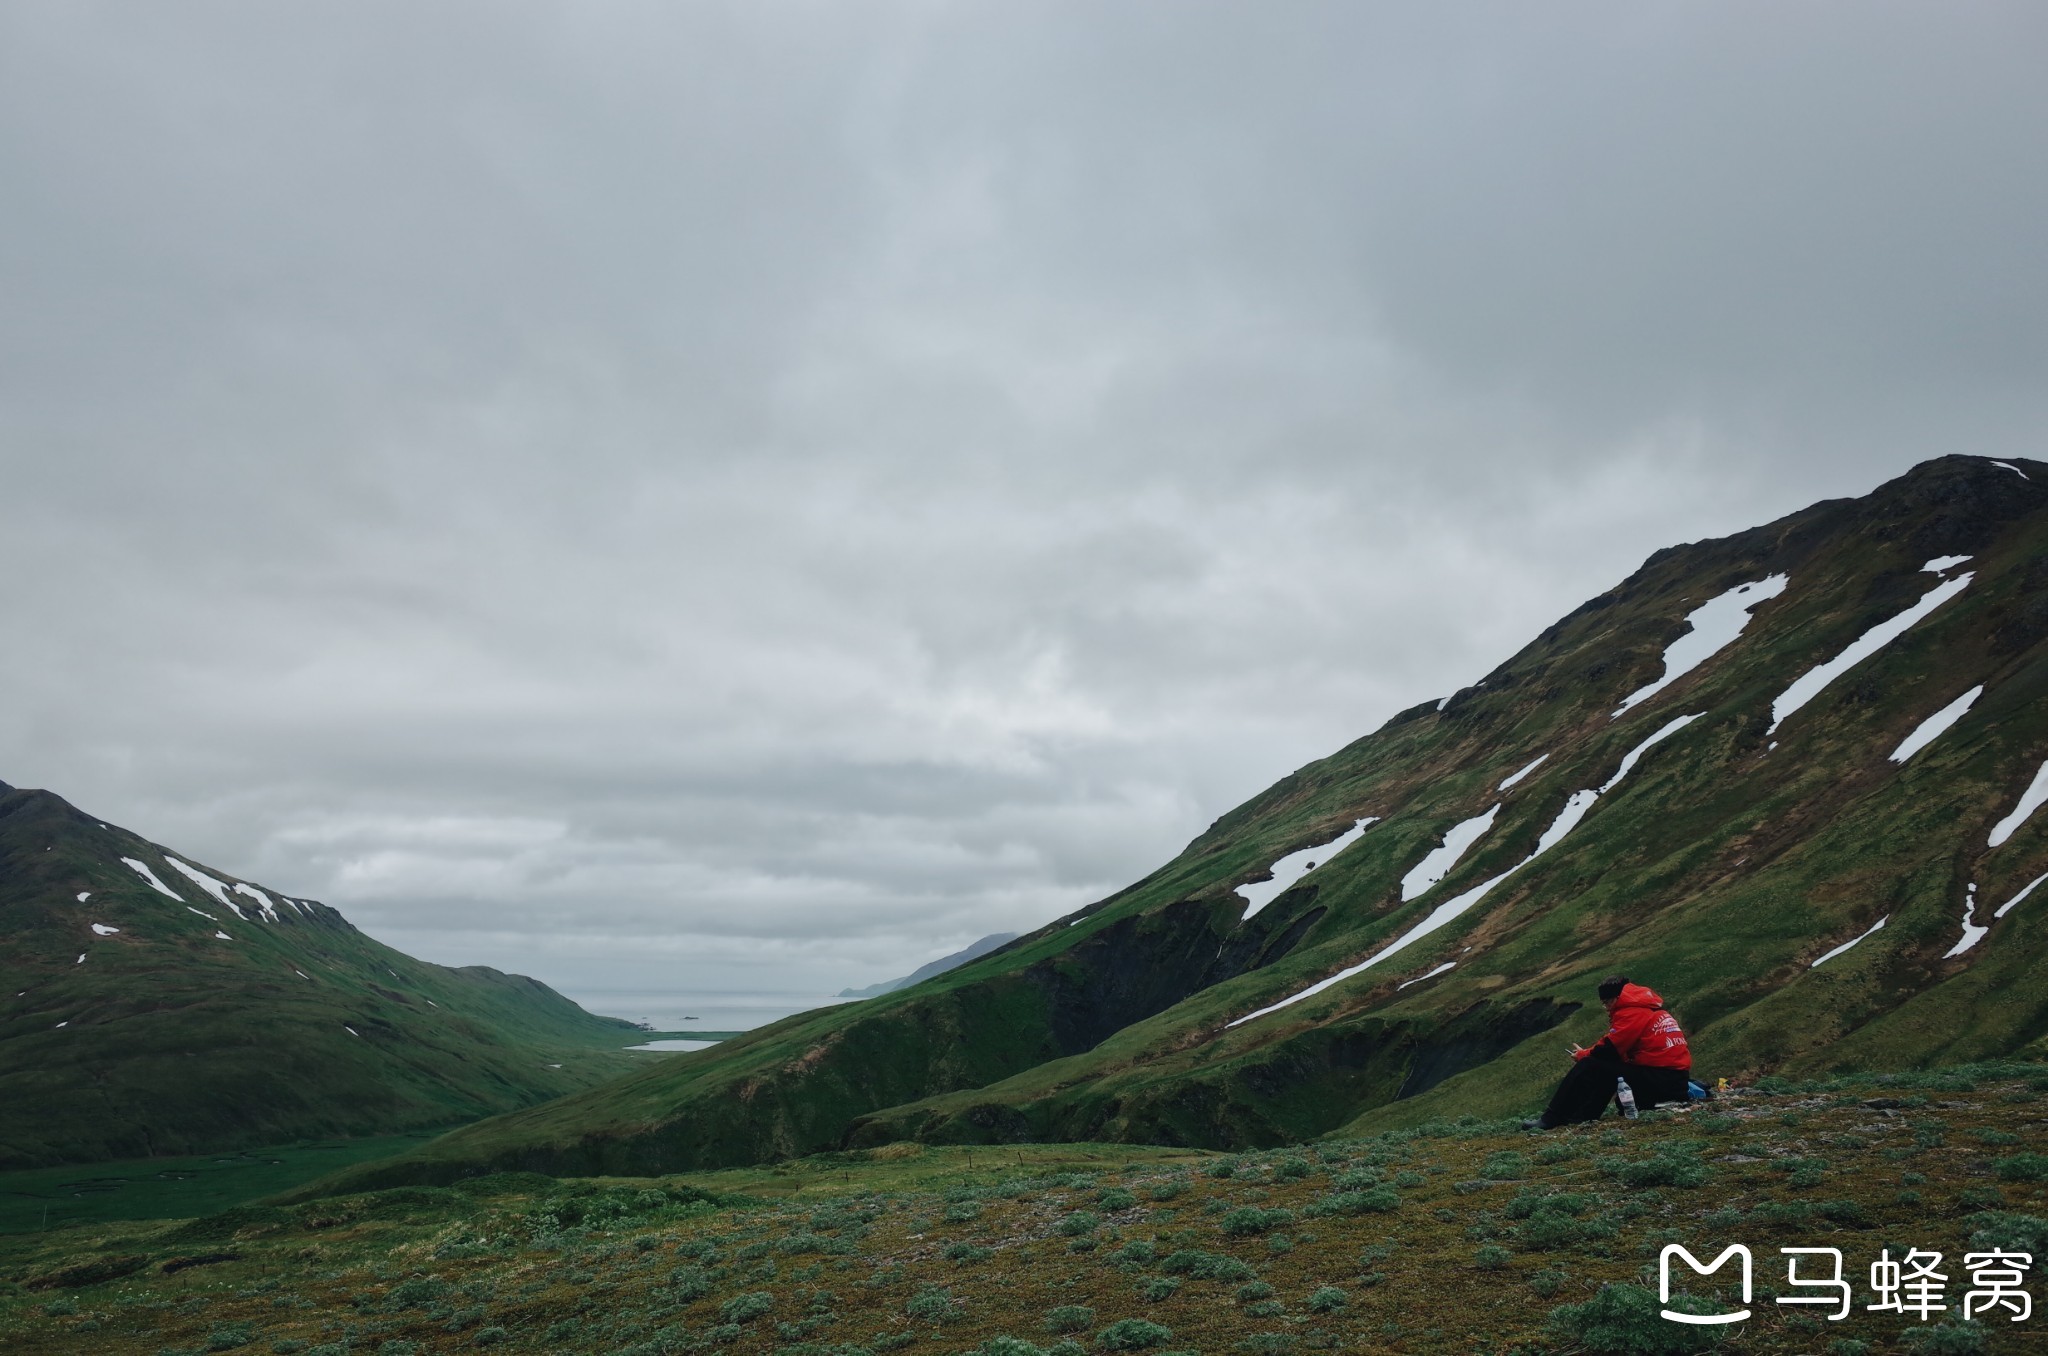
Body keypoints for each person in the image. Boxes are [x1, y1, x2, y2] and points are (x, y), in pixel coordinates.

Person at [1528, 976, 1693, 1129]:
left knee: (1590, 1065)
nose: (1606, 1008)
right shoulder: (1648, 1008)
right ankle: (1583, 1117)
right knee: (1608, 1068)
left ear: (1618, 998)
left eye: (1607, 1002)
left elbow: (1610, 1049)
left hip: (1662, 1079)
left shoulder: (1633, 1012)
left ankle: (1551, 1118)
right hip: (1673, 1079)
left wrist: (1582, 1055)